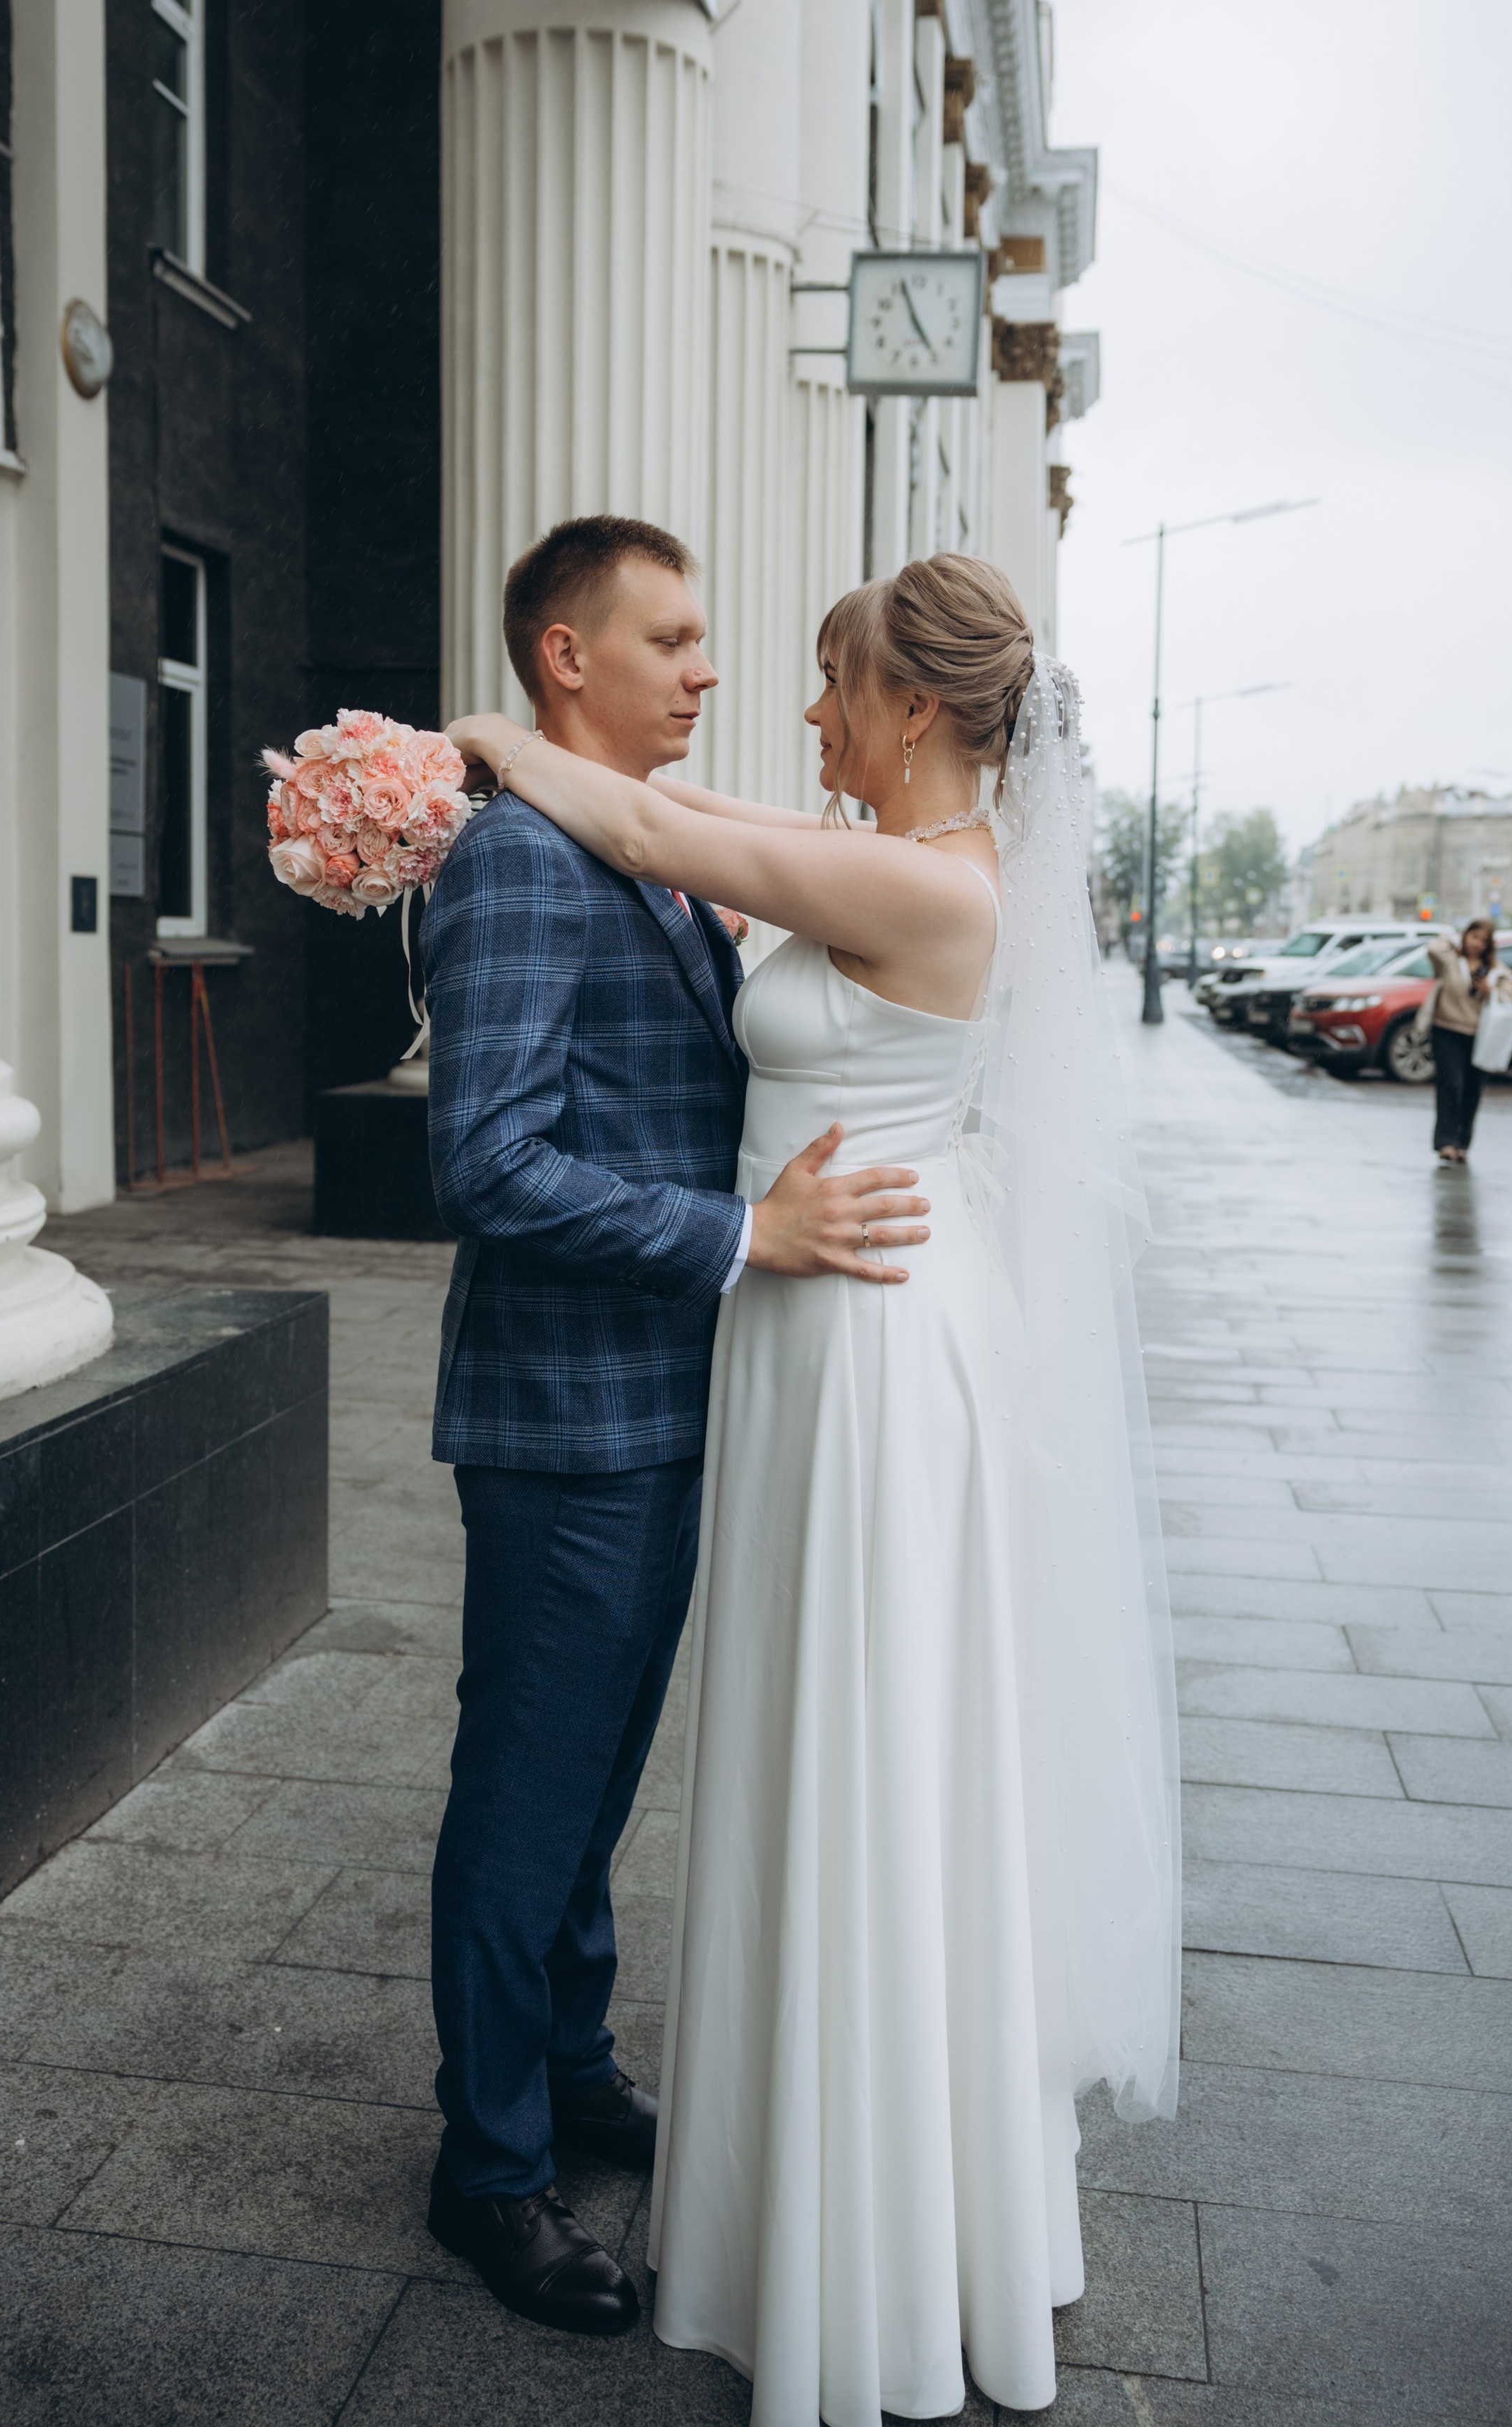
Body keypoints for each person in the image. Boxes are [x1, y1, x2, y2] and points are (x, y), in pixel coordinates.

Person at [448, 552, 1181, 2423]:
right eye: (690, 644)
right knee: (823, 1744)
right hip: (810, 1330)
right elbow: (695, 818)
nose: (798, 706)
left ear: (915, 706)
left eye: (831, 679)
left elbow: (651, 825)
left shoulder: (922, 883)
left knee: (860, 1752)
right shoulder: (902, 851)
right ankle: (727, 2146)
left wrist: (474, 740)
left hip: (858, 1345)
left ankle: (853, 2204)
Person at [418, 515, 936, 2340]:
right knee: (526, 1802)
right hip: (566, 1423)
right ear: (568, 657)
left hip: (652, 1406)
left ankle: (569, 2075)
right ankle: (489, 2172)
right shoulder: (520, 860)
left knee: (590, 1789)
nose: (707, 669)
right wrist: (742, 1235)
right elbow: (485, 1162)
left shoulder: (625, 843)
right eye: (673, 638)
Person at [1422, 916, 1512, 1164]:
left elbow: (1511, 996)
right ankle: (1446, 1142)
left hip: (1481, 1036)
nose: (1478, 944)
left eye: (1484, 940)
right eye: (1474, 937)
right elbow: (1433, 949)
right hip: (1447, 1030)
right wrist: (1452, 939)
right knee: (1451, 1084)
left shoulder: (1495, 970)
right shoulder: (1451, 961)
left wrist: (1489, 990)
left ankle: (1463, 1144)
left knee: (1472, 1090)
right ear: (1465, 936)